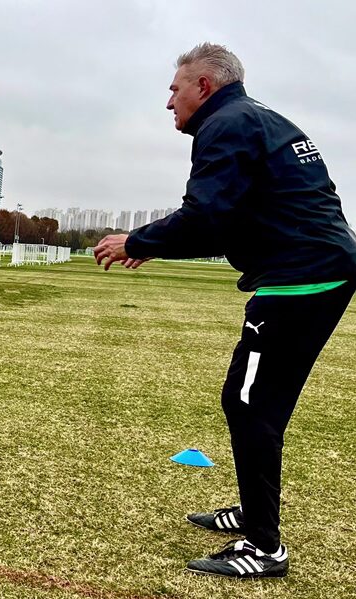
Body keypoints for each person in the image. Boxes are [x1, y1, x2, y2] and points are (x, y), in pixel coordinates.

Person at [94, 42, 356, 578]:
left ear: (204, 86)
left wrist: (136, 241)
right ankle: (254, 514)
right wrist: (154, 245)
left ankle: (264, 547)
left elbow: (205, 218)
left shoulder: (227, 125)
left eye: (175, 89)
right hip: (316, 269)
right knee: (252, 403)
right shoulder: (256, 119)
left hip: (302, 277)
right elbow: (226, 219)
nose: (169, 101)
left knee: (250, 403)